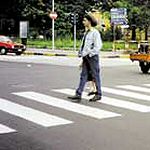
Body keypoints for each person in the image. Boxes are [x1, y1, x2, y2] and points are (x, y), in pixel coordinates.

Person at [68, 13, 103, 102]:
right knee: (83, 75)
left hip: (92, 57)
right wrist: (81, 53)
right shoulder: (86, 33)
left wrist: (90, 54)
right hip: (86, 57)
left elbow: (98, 46)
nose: (83, 22)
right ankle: (78, 94)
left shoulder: (95, 33)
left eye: (85, 20)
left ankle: (98, 94)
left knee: (95, 75)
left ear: (89, 21)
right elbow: (84, 45)